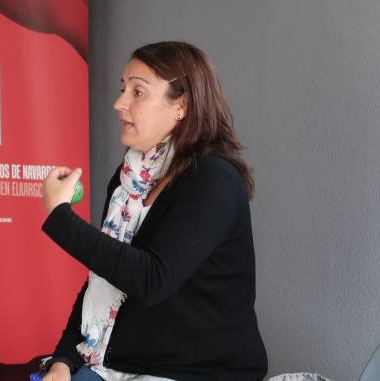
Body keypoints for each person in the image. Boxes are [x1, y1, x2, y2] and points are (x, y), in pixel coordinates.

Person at [41, 41, 268, 380]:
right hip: (117, 364)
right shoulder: (129, 181)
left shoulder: (214, 180)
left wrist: (62, 219)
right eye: (123, 89)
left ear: (182, 106)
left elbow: (152, 279)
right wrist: (63, 360)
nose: (119, 103)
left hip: (199, 373)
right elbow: (103, 278)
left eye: (138, 92)